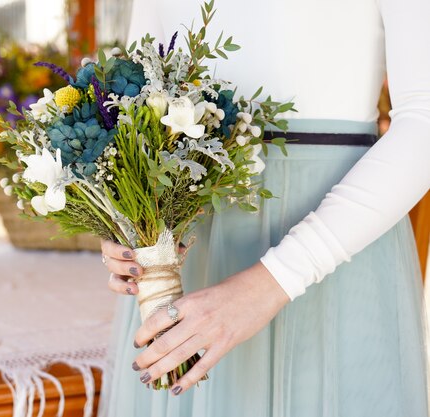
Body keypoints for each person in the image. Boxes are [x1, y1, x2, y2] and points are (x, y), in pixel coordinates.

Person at [98, 0, 430, 416]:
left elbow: (425, 120)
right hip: (191, 258)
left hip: (333, 251)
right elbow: (138, 103)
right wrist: (131, 224)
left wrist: (274, 281)